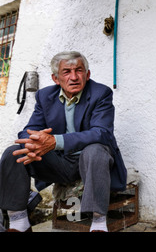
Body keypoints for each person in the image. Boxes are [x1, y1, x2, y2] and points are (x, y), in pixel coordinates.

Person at [0, 51, 127, 232]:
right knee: (14, 152)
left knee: (96, 150)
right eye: (67, 72)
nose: (74, 77)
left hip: (88, 162)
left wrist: (55, 141)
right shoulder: (45, 96)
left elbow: (102, 133)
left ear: (88, 75)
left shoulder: (101, 94)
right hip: (58, 163)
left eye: (79, 70)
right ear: (56, 78)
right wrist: (34, 141)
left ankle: (98, 224)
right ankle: (19, 222)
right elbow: (29, 130)